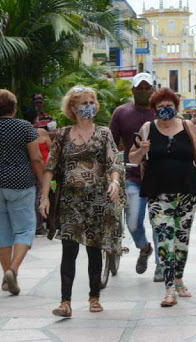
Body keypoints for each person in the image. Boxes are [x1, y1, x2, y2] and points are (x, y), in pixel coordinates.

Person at [39, 86, 124, 317]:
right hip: (69, 202)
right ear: (73, 108)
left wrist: (114, 182)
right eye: (84, 103)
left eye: (92, 102)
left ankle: (94, 297)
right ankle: (65, 302)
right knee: (69, 250)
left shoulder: (104, 133)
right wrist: (44, 197)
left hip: (97, 201)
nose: (89, 107)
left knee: (94, 251)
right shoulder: (64, 135)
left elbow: (114, 162)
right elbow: (49, 168)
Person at [129, 87, 196, 307]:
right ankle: (169, 289)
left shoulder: (187, 126)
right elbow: (133, 158)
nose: (165, 110)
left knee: (181, 240)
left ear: (176, 108)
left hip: (187, 192)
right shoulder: (147, 129)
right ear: (154, 110)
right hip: (158, 193)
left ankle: (179, 280)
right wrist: (141, 150)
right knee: (165, 240)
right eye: (160, 107)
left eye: (169, 107)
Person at [0, 89, 45, 296]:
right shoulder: (25, 127)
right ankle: (13, 270)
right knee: (25, 230)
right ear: (14, 107)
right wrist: (44, 183)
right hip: (21, 184)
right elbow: (36, 158)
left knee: (2, 233)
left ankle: (6, 279)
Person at [109, 72, 163, 282]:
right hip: (131, 175)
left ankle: (161, 265)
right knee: (132, 222)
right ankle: (144, 247)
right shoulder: (121, 113)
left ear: (152, 89)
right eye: (139, 88)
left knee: (159, 222)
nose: (143, 91)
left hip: (159, 175)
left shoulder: (161, 112)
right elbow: (111, 142)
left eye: (146, 87)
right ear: (132, 90)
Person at [23, 107, 53, 235]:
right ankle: (44, 223)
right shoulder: (42, 132)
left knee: (33, 196)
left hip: (29, 169)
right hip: (45, 169)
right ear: (36, 118)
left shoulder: (22, 132)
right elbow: (51, 149)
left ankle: (36, 223)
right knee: (46, 194)